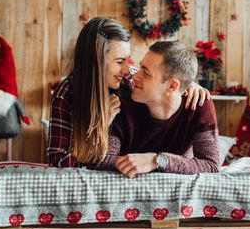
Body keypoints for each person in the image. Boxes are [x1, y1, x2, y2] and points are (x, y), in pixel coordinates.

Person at [47, 17, 210, 167]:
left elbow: (166, 80)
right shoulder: (66, 94)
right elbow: (59, 161)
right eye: (119, 61)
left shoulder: (131, 79)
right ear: (95, 63)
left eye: (127, 59)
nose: (128, 69)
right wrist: (99, 127)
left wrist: (187, 84)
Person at [92, 41, 220, 177]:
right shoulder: (120, 103)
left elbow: (211, 165)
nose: (134, 76)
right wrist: (140, 163)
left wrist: (156, 161)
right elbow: (101, 160)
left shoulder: (198, 103)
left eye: (146, 73)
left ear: (172, 86)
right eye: (140, 67)